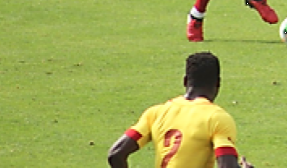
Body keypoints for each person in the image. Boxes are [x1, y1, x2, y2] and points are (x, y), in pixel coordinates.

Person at [107, 52, 253, 168]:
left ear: (185, 81)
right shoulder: (216, 117)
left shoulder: (156, 112)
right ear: (218, 83)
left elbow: (116, 154)